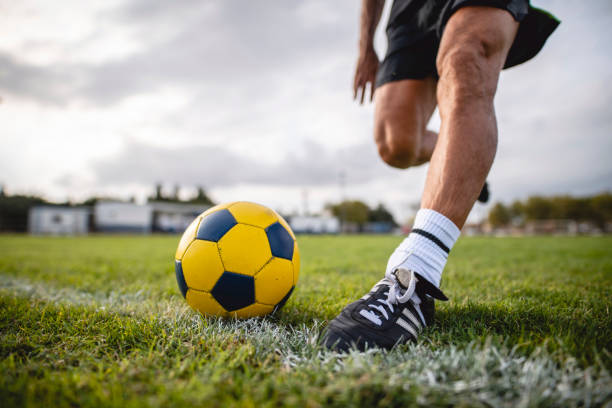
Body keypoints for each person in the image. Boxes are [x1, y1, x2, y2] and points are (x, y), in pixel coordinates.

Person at [323, 0, 559, 351]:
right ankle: (460, 167)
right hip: (409, 9)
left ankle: (414, 275)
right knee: (396, 144)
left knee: (465, 60)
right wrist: (365, 46)